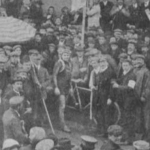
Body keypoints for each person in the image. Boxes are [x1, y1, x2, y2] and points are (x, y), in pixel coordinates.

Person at [112, 59, 137, 143]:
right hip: (123, 100)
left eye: (126, 65)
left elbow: (130, 88)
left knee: (128, 120)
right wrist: (115, 81)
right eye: (123, 65)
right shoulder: (124, 73)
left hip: (129, 101)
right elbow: (120, 80)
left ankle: (129, 139)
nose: (125, 67)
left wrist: (118, 86)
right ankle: (123, 138)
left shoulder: (132, 75)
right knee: (123, 119)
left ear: (130, 66)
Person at [89, 57, 116, 135]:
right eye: (100, 62)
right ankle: (101, 130)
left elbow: (112, 86)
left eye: (104, 62)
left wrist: (110, 98)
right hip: (99, 96)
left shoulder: (111, 72)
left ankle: (107, 133)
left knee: (106, 115)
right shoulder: (100, 72)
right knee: (99, 114)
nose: (102, 64)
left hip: (106, 97)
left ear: (107, 63)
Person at [53, 47, 72, 133]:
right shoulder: (59, 63)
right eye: (64, 55)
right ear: (61, 55)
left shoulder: (69, 64)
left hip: (66, 88)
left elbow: (70, 77)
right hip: (60, 88)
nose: (66, 56)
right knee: (62, 106)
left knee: (63, 107)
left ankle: (60, 123)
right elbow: (54, 76)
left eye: (67, 55)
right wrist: (56, 87)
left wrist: (71, 87)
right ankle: (62, 125)